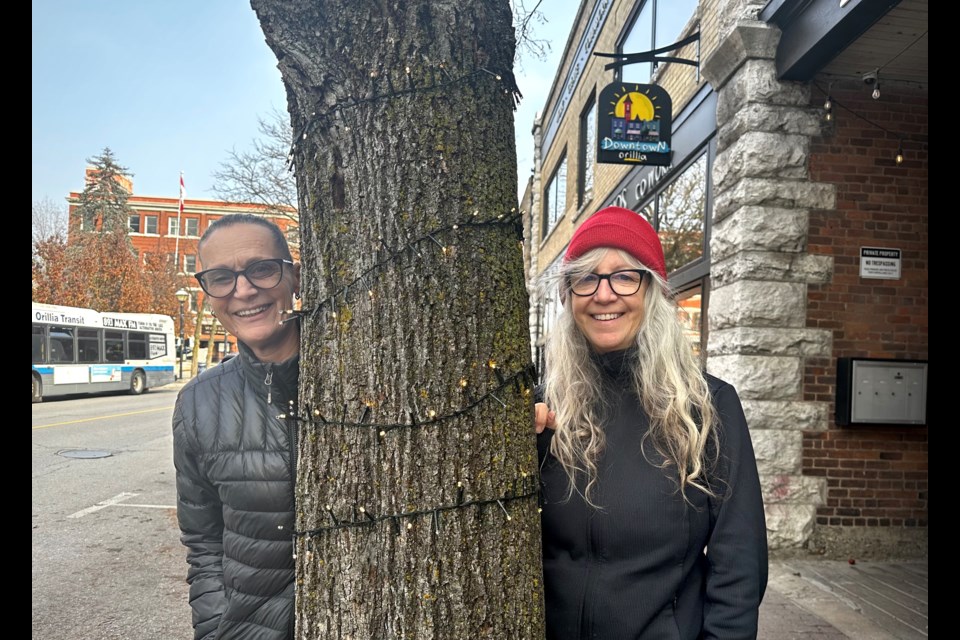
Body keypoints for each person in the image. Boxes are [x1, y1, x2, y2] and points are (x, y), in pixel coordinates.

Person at [533, 205, 768, 639]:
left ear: (653, 291)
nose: (604, 295)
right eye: (586, 277)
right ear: (568, 296)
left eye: (624, 276)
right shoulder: (545, 412)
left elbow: (738, 564)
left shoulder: (707, 407)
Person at [173, 213, 301, 640]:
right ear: (208, 293)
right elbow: (203, 542)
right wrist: (214, 629)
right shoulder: (197, 402)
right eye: (222, 277)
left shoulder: (363, 376)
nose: (243, 290)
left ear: (294, 277)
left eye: (262, 269)